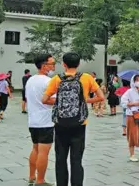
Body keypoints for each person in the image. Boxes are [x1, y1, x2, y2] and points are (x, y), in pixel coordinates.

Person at [42, 52, 105, 186]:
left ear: (64, 64)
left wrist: (60, 102)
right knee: (76, 160)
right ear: (79, 64)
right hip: (79, 123)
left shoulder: (56, 79)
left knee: (60, 159)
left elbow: (44, 99)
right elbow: (101, 97)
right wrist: (83, 101)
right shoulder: (87, 78)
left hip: (60, 124)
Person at [26, 54, 57, 186]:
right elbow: (49, 100)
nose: (54, 66)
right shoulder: (48, 81)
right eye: (52, 63)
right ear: (44, 66)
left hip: (33, 120)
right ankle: (40, 181)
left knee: (35, 149)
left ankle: (32, 176)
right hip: (45, 120)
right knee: (44, 152)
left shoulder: (30, 80)